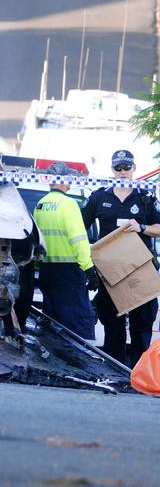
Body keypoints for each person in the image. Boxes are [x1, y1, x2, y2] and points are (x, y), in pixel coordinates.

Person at [80, 149, 160, 367]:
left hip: (139, 270)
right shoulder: (99, 197)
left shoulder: (146, 197)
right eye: (118, 168)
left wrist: (142, 227)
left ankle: (139, 373)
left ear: (134, 168)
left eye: (127, 167)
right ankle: (114, 370)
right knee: (111, 322)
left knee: (141, 324)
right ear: (112, 170)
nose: (123, 172)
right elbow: (79, 226)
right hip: (110, 272)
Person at [31, 162, 97, 339]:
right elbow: (79, 240)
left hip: (46, 270)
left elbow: (37, 240)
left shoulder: (41, 204)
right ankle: (79, 364)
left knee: (52, 324)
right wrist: (89, 269)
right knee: (78, 324)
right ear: (62, 179)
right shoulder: (69, 204)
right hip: (68, 273)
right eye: (69, 177)